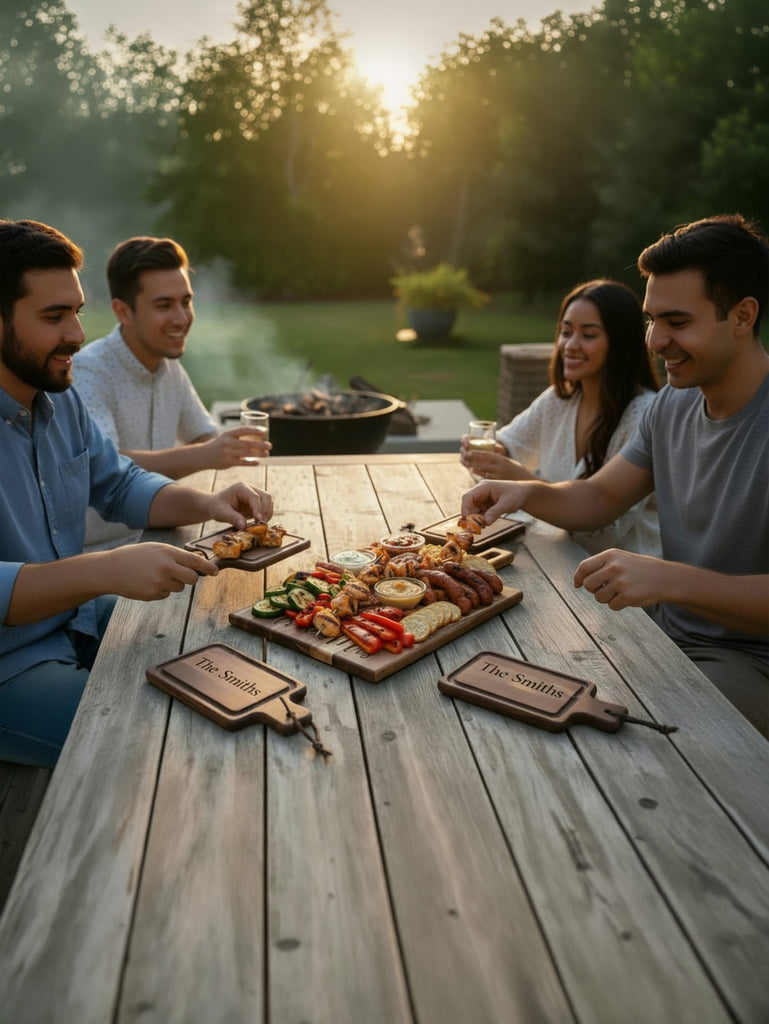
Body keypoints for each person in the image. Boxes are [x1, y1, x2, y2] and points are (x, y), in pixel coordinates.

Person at [461, 214, 769, 737]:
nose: (655, 341)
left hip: (750, 662)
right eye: (652, 320)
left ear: (741, 316)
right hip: (664, 632)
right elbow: (600, 497)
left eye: (677, 322)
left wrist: (669, 579)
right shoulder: (671, 406)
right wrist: (524, 490)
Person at [0, 219, 274, 767]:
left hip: (72, 617)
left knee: (220, 649)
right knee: (164, 742)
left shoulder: (59, 397)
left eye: (76, 311)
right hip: (11, 666)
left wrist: (208, 504)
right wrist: (107, 570)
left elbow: (120, 482)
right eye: (54, 317)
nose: (77, 333)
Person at [73, 235, 270, 549]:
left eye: (186, 301)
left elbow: (203, 436)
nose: (182, 317)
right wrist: (207, 454)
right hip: (104, 554)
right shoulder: (89, 372)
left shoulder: (169, 367)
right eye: (164, 305)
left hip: (167, 536)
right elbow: (107, 465)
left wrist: (228, 449)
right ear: (122, 312)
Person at [460, 279, 661, 555]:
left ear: (621, 343)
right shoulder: (561, 399)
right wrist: (490, 454)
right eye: (566, 332)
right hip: (557, 556)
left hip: (620, 581)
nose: (570, 345)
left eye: (588, 335)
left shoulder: (646, 415)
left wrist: (516, 478)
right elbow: (509, 442)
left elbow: (601, 532)